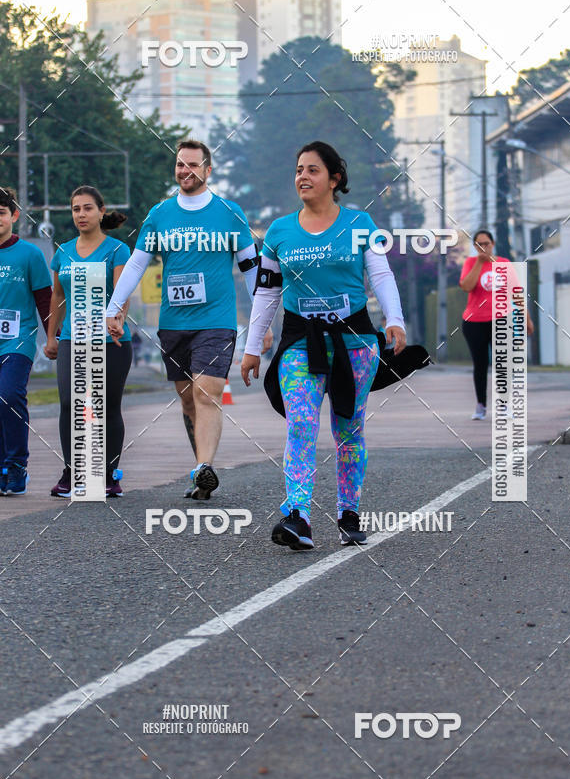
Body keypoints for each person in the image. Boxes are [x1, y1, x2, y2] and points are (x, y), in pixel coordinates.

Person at [241, 141, 406, 550]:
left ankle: (349, 513)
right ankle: (297, 516)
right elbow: (266, 293)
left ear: (334, 179)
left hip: (354, 340)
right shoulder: (279, 231)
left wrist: (395, 320)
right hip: (300, 340)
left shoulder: (360, 223)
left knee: (349, 429)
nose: (302, 177)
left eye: (313, 170)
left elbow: (381, 277)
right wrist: (250, 347)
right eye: (298, 169)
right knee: (301, 423)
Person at [106, 139, 270, 499]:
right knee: (187, 399)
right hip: (174, 324)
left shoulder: (229, 213)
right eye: (180, 164)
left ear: (208, 171)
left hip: (217, 320)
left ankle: (205, 467)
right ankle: (201, 470)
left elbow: (250, 269)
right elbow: (136, 264)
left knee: (207, 391)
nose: (185, 171)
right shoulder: (160, 214)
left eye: (193, 165)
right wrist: (114, 307)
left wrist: (262, 321)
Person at [44, 186, 132, 497]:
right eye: (75, 209)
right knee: (71, 404)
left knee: (106, 407)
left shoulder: (117, 250)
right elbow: (57, 296)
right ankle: (73, 472)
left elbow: (122, 293)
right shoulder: (63, 252)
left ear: (101, 211)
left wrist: (118, 320)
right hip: (73, 339)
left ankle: (108, 474)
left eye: (87, 208)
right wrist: (52, 336)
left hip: (111, 342)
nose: (81, 214)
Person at [0, 186, 52, 495]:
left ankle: (16, 465)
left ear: (14, 216)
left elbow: (45, 301)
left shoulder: (29, 254)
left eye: (1, 214)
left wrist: (53, 339)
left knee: (7, 395)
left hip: (17, 341)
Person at [459, 229, 533, 420]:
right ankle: (481, 405)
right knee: (480, 364)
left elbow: (516, 292)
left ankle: (503, 405)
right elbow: (466, 286)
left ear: (493, 244)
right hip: (474, 322)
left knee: (503, 364)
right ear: (475, 247)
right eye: (479, 244)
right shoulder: (470, 263)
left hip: (501, 319)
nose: (483, 247)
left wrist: (526, 318)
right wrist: (479, 263)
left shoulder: (504, 264)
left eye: (486, 244)